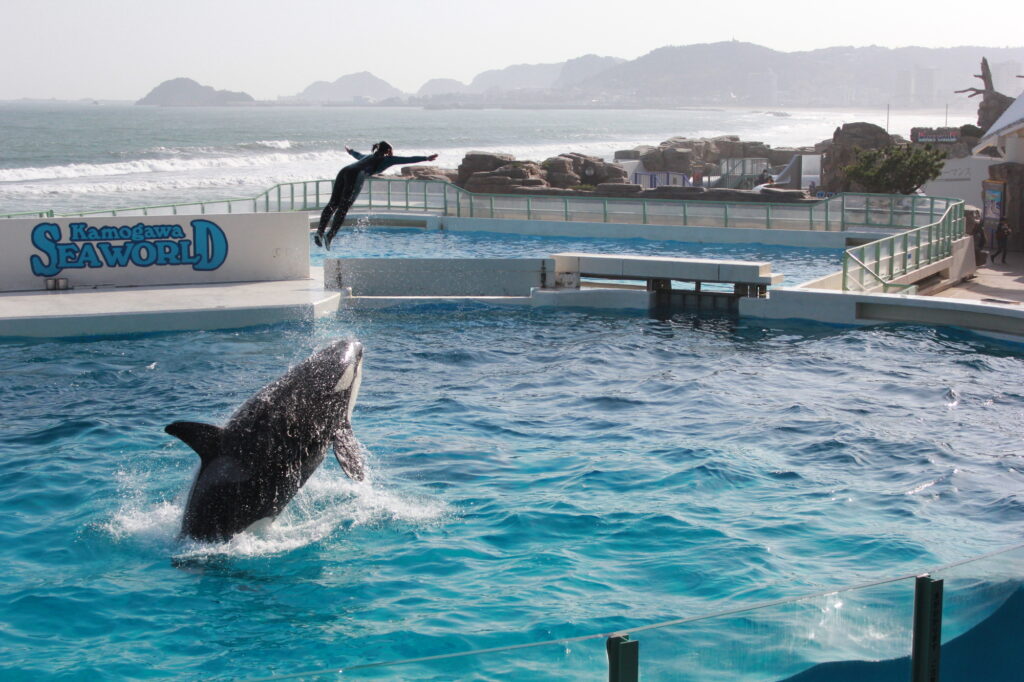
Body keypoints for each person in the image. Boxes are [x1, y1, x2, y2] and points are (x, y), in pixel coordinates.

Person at [315, 141, 438, 249]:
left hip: (344, 171)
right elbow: (407, 159)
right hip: (356, 175)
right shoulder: (387, 159)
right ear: (388, 150)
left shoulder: (367, 156)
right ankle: (330, 235)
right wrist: (426, 158)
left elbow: (357, 155)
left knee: (333, 203)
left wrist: (350, 151)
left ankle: (319, 232)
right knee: (343, 208)